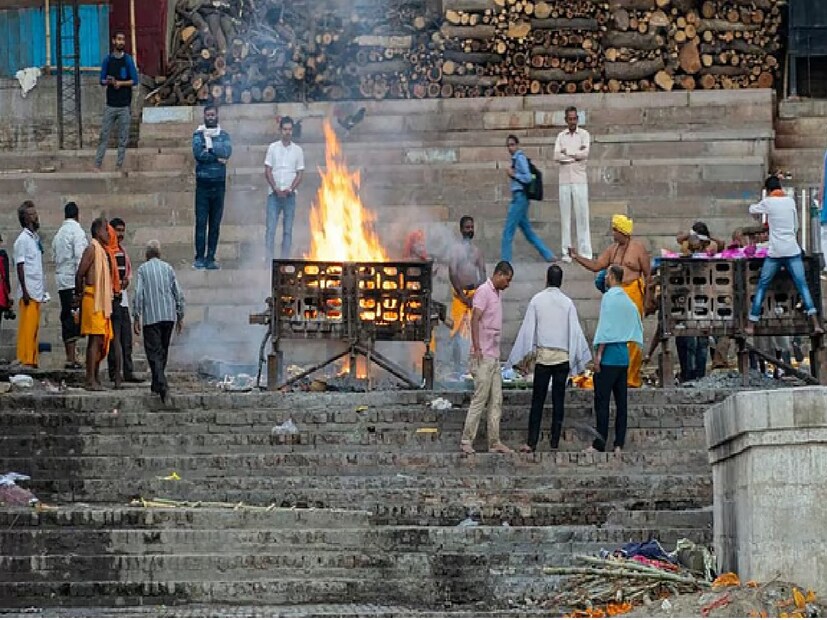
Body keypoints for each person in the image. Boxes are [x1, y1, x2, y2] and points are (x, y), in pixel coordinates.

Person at [507, 265, 591, 452]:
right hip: (562, 358)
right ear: (560, 281)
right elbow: (575, 332)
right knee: (558, 402)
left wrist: (523, 359)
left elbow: (528, 330)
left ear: (547, 279)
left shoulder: (537, 300)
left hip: (543, 358)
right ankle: (554, 442)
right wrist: (576, 358)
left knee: (537, 401)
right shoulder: (567, 303)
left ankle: (531, 442)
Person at [570, 214, 650, 387]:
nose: (613, 233)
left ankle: (631, 378)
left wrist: (648, 300)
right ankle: (616, 374)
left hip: (633, 294)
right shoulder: (612, 249)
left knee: (632, 336)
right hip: (615, 294)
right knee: (614, 333)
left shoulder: (638, 248)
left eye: (615, 230)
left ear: (622, 231)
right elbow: (597, 266)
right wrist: (577, 257)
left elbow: (648, 275)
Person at [746, 175, 823, 336]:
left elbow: (752, 209)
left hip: (775, 252)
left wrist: (758, 211)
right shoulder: (790, 201)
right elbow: (795, 226)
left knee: (762, 286)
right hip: (792, 250)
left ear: (768, 190)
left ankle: (751, 324)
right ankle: (815, 324)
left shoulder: (768, 202)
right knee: (802, 286)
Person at [460, 260, 515, 455]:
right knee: (479, 399)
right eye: (507, 280)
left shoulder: (496, 294)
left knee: (496, 400)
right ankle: (467, 440)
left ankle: (494, 442)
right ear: (499, 274)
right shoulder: (484, 291)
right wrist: (476, 347)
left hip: (494, 356)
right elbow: (474, 318)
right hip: (482, 354)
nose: (508, 285)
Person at [589, 265, 643, 453]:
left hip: (609, 358)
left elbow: (606, 328)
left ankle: (600, 443)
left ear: (611, 276)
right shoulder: (628, 300)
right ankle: (619, 443)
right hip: (623, 358)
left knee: (602, 402)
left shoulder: (609, 298)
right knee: (621, 404)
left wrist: (598, 356)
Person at [133, 240, 185, 403]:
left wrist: (136, 316)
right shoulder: (168, 268)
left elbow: (139, 293)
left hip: (151, 317)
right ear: (159, 253)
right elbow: (178, 292)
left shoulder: (143, 270)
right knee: (162, 351)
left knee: (154, 353)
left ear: (147, 254)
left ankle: (162, 386)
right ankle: (157, 385)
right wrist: (180, 315)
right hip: (168, 316)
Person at [501, 135, 555, 263]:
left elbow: (528, 178)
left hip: (520, 197)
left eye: (513, 144)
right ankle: (548, 254)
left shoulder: (520, 158)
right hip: (519, 197)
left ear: (517, 145)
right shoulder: (516, 159)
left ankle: (505, 262)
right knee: (527, 231)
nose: (510, 148)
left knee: (508, 231)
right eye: (508, 145)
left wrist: (514, 175)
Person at [193, 105, 232, 270]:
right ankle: (199, 258)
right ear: (204, 116)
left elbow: (227, 151)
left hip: (219, 185)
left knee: (215, 224)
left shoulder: (224, 135)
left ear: (217, 116)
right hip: (203, 186)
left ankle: (211, 258)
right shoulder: (198, 135)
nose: (210, 117)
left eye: (213, 115)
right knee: (201, 223)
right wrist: (217, 156)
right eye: (207, 115)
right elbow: (198, 154)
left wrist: (210, 149)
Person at [75, 218, 113, 391]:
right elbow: (80, 273)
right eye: (106, 230)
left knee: (100, 340)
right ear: (98, 232)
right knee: (94, 340)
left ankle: (95, 378)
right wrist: (78, 295)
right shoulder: (92, 249)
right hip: (92, 299)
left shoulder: (102, 251)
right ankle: (89, 380)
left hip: (101, 300)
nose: (108, 233)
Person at [94, 31, 138, 171]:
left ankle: (119, 165)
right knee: (104, 135)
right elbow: (101, 80)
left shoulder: (128, 60)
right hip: (110, 105)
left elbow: (135, 80)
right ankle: (97, 164)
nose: (121, 42)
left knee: (123, 138)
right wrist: (109, 81)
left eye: (123, 40)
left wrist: (120, 83)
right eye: (118, 39)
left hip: (124, 105)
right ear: (113, 41)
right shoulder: (108, 60)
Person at [51, 202, 87, 369]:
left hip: (62, 281)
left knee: (67, 316)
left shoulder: (59, 234)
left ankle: (71, 356)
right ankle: (72, 358)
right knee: (74, 318)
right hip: (73, 280)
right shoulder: (77, 232)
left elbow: (54, 256)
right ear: (77, 215)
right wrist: (82, 282)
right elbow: (81, 258)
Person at [448, 216, 486, 373]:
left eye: (471, 227)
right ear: (461, 229)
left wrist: (477, 293)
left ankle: (473, 366)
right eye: (467, 227)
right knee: (457, 333)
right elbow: (452, 272)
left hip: (474, 295)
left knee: (475, 330)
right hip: (459, 296)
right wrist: (463, 297)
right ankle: (457, 368)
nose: (470, 230)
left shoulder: (477, 251)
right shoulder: (455, 250)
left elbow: (483, 273)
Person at [554, 106, 592, 263]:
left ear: (578, 119)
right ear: (566, 120)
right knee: (565, 218)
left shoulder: (584, 135)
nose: (572, 121)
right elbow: (556, 156)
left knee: (582, 216)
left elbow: (584, 153)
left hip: (580, 180)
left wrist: (567, 154)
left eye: (574, 118)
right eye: (569, 119)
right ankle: (566, 252)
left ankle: (585, 252)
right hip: (564, 181)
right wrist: (574, 155)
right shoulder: (561, 136)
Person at [264, 115, 304, 260]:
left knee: (287, 231)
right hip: (273, 195)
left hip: (290, 195)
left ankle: (284, 261)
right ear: (280, 130)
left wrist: (290, 189)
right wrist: (275, 188)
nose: (287, 132)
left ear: (292, 131)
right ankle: (268, 261)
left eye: (289, 129)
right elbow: (267, 170)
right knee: (270, 230)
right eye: (285, 129)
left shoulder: (298, 150)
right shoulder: (272, 148)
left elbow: (300, 173)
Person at [106, 218, 140, 384]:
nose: (120, 234)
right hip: (112, 300)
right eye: (117, 230)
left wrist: (126, 281)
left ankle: (128, 371)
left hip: (123, 300)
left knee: (126, 340)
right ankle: (114, 373)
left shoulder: (123, 252)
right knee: (114, 340)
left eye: (122, 231)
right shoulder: (107, 251)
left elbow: (128, 273)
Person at [13, 201, 45, 368]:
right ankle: (24, 358)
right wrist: (24, 290)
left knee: (34, 328)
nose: (35, 217)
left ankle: (32, 359)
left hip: (37, 291)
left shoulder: (35, 239)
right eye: (31, 214)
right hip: (28, 291)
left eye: (35, 213)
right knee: (26, 327)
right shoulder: (22, 240)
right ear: (25, 219)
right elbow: (20, 266)